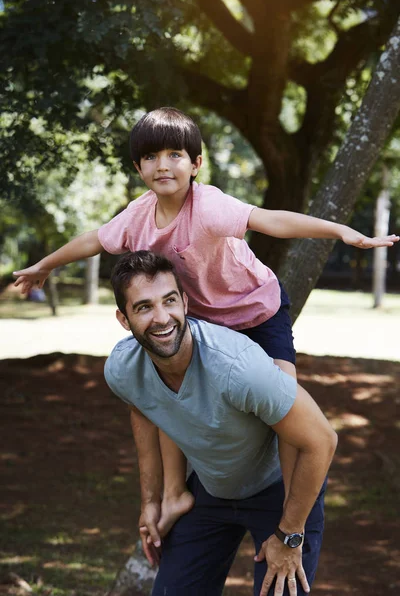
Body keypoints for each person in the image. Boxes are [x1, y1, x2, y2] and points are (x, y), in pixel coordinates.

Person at [12, 107, 398, 539]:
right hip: (206, 321)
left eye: (175, 154)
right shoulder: (137, 216)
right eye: (152, 156)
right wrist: (43, 266)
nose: (163, 165)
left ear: (195, 164)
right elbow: (92, 241)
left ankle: (291, 518)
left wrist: (340, 231)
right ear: (138, 167)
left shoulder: (209, 205)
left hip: (255, 310)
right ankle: (175, 493)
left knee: (283, 395)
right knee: (171, 389)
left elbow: (270, 220)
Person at [105, 250, 337, 596]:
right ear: (123, 319)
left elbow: (321, 440)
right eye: (143, 307)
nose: (161, 318)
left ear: (185, 301)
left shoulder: (236, 366)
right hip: (211, 491)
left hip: (281, 492)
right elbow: (144, 408)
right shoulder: (123, 369)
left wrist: (290, 534)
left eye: (169, 301)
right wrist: (153, 500)